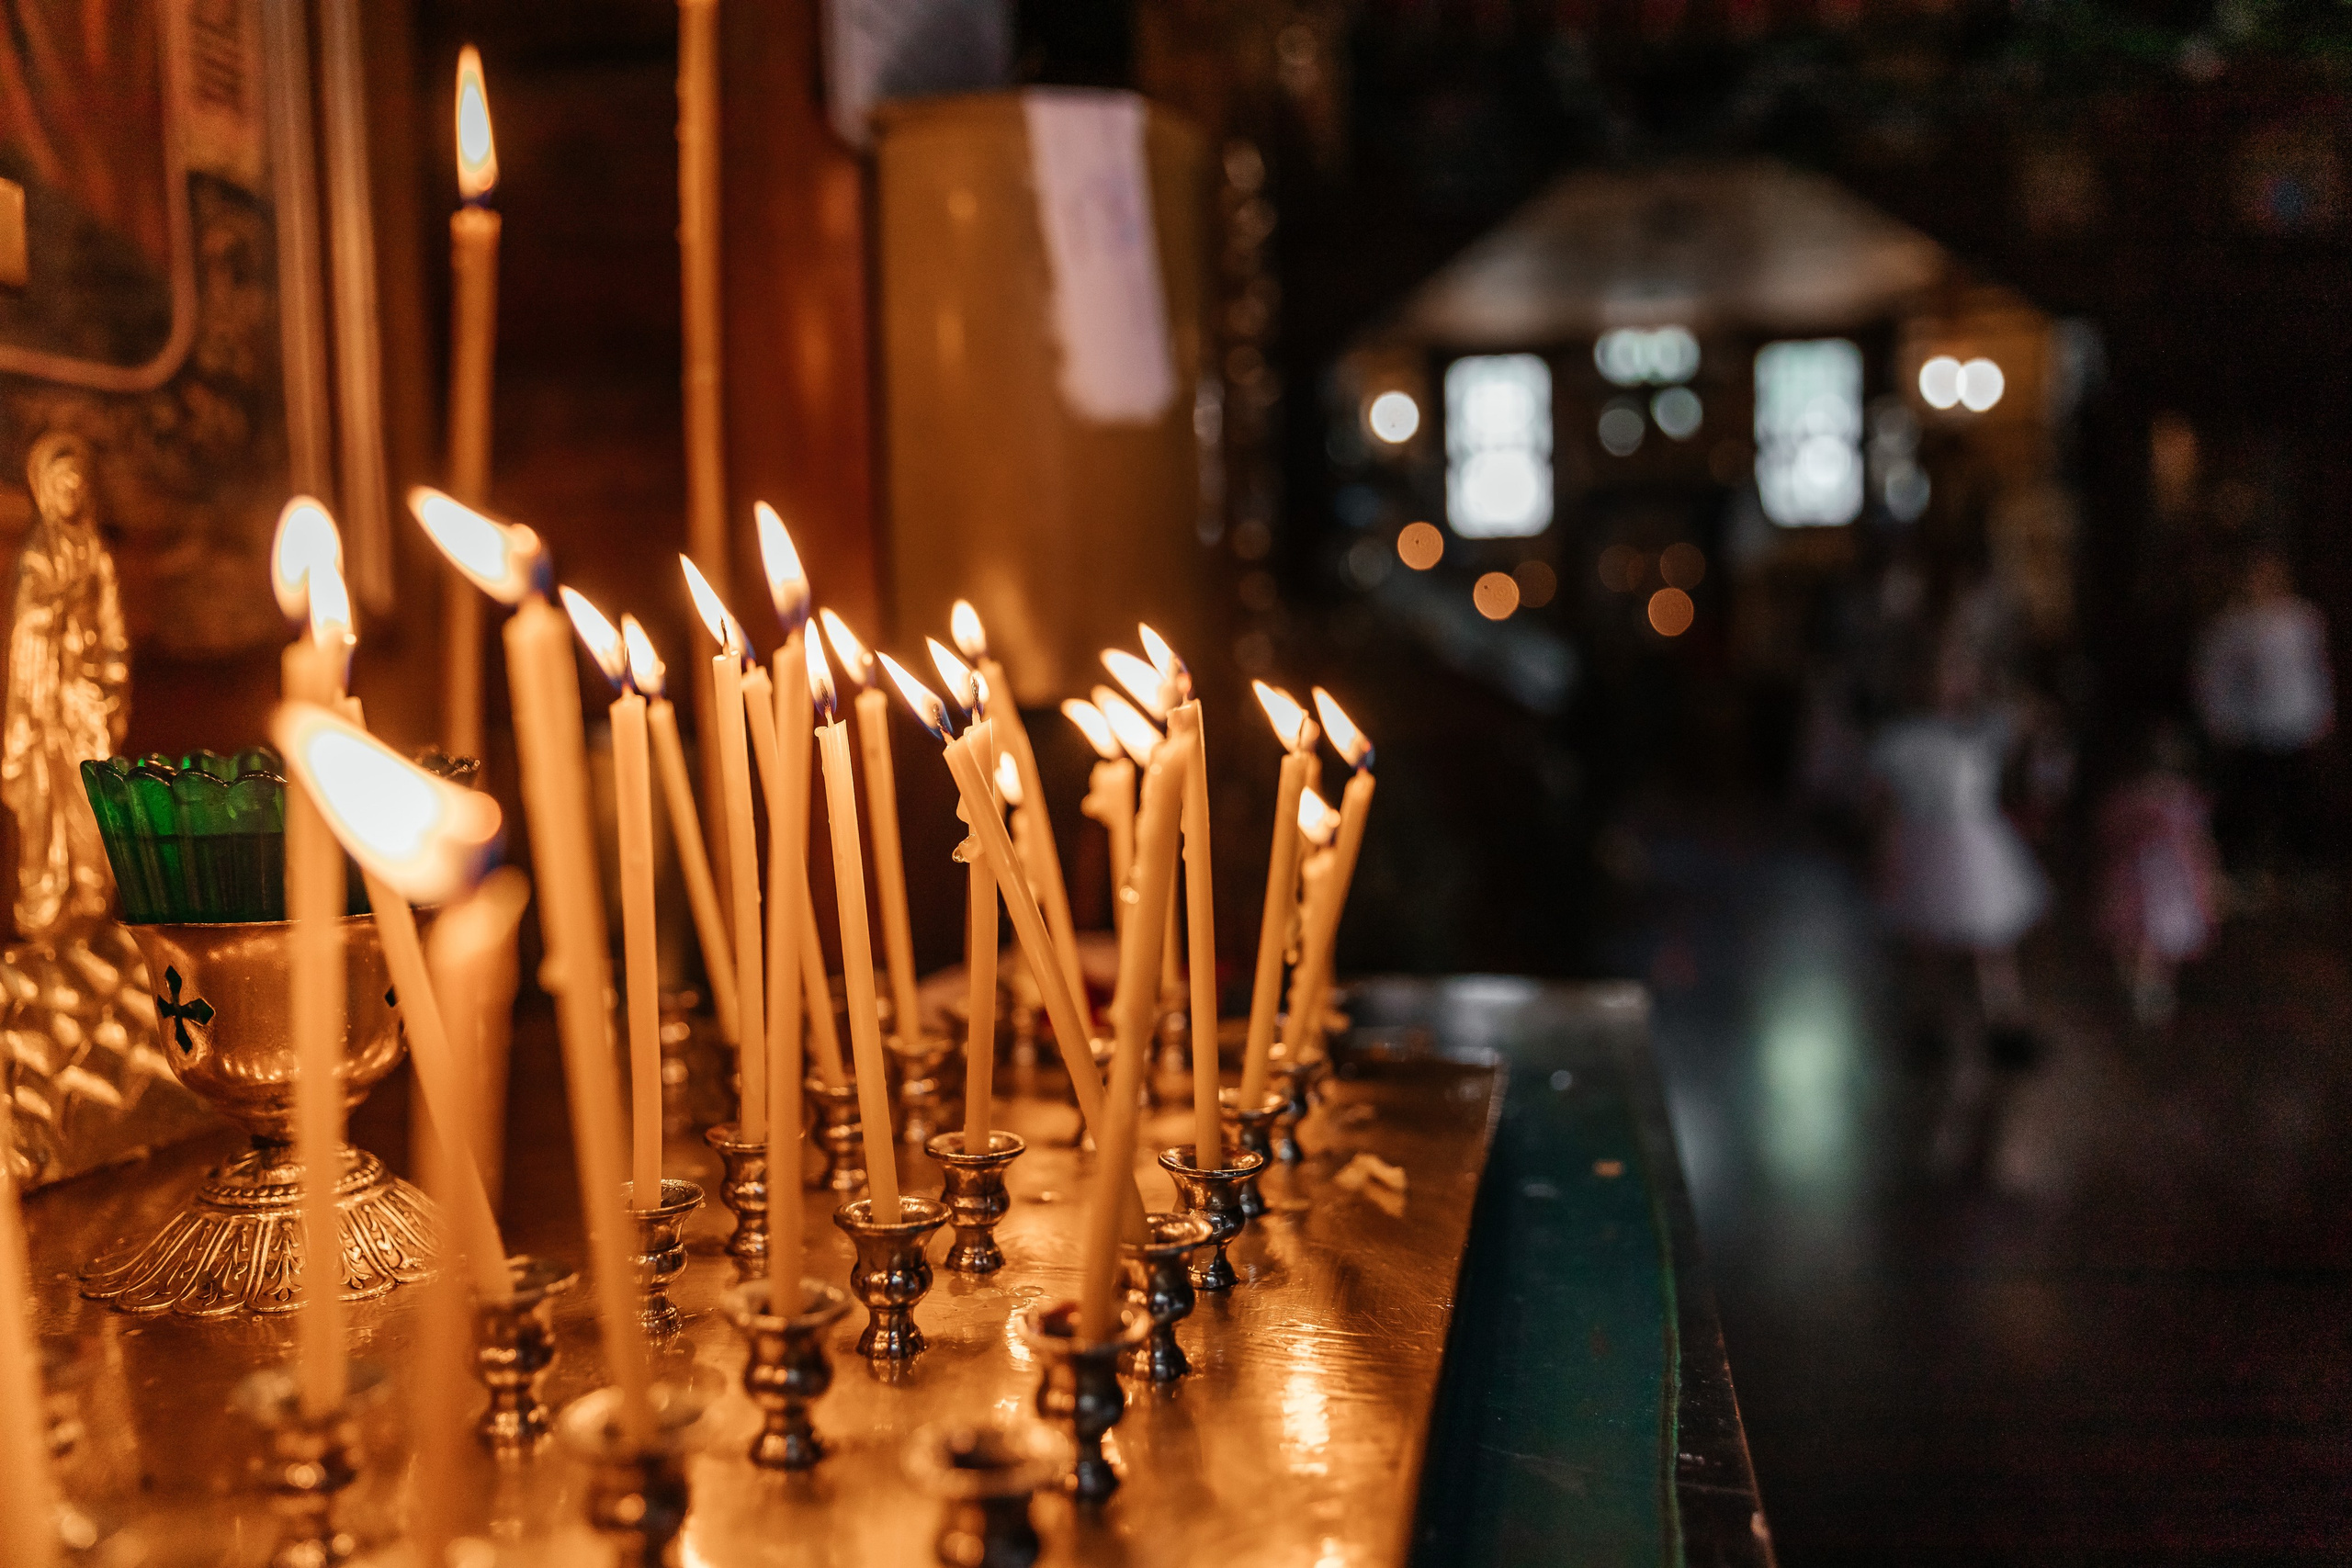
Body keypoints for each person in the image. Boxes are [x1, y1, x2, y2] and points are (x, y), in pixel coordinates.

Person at [1870, 654, 2050, 1064]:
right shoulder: (1901, 738)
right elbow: (1884, 803)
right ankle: (1929, 1028)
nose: (1947, 684)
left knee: (1992, 940)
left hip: (1975, 847)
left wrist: (1996, 690)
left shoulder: (1982, 729)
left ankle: (2007, 1024)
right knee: (1926, 944)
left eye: (1956, 674)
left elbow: (2030, 719)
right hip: (1923, 845)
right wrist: (1884, 854)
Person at [2192, 552, 2334, 889]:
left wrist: (2321, 712)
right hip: (2248, 729)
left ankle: (2306, 867)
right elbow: (2213, 678)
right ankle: (2242, 869)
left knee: (2299, 799)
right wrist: (2218, 719)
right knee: (2245, 800)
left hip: (2293, 723)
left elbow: (2314, 670)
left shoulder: (2301, 619)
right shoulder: (2229, 625)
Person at [2096, 724, 2219, 1025]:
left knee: (2167, 935)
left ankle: (2154, 991)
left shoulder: (2186, 797)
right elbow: (2112, 834)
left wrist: (2208, 875)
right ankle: (2140, 990)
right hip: (2142, 875)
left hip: (2176, 879)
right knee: (2140, 935)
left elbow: (2197, 839)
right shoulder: (2133, 797)